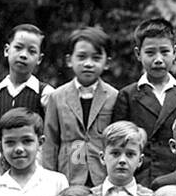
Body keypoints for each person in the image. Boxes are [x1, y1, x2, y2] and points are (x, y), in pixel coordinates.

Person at [111, 18, 176, 184]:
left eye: (164, 52)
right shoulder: (128, 95)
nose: (158, 59)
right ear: (138, 54)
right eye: (150, 53)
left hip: (175, 177)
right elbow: (117, 142)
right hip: (139, 177)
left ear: (175, 52)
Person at [42, 26, 120, 187]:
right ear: (69, 60)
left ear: (107, 63)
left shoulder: (114, 96)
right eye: (82, 57)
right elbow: (50, 142)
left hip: (102, 175)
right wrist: (49, 179)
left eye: (96, 58)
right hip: (68, 174)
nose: (88, 64)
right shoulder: (57, 96)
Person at [0, 24, 56, 167]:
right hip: (0, 168)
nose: (23, 55)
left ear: (39, 58)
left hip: (34, 166)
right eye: (18, 48)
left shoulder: (45, 93)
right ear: (7, 50)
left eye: (32, 51)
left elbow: (50, 139)